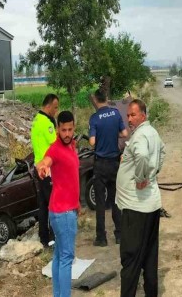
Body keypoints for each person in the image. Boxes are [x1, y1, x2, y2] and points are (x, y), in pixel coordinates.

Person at [116, 99, 165, 297]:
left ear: (143, 115)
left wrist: (142, 178)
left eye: (133, 115)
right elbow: (162, 152)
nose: (129, 119)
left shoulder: (140, 136)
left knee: (131, 260)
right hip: (151, 207)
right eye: (128, 115)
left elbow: (143, 156)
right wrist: (153, 172)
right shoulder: (152, 132)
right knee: (149, 257)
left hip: (135, 208)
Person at [36, 111, 80, 297]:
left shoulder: (71, 145)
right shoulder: (54, 148)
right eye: (63, 130)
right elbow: (45, 161)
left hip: (64, 209)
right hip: (63, 212)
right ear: (57, 130)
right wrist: (43, 167)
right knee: (66, 258)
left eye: (70, 129)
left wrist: (78, 204)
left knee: (59, 255)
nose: (67, 133)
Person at [89, 89, 129, 247]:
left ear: (96, 100)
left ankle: (101, 238)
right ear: (106, 98)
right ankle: (119, 234)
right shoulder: (116, 113)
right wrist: (113, 135)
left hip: (100, 164)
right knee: (115, 201)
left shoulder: (94, 118)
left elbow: (92, 142)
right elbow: (125, 133)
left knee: (100, 202)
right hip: (114, 163)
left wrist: (100, 135)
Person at [31, 93, 59, 247]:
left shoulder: (36, 120)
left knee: (43, 205)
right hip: (47, 169)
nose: (56, 111)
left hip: (38, 167)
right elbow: (56, 144)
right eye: (55, 108)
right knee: (53, 203)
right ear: (48, 106)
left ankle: (44, 238)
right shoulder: (46, 123)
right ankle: (54, 237)